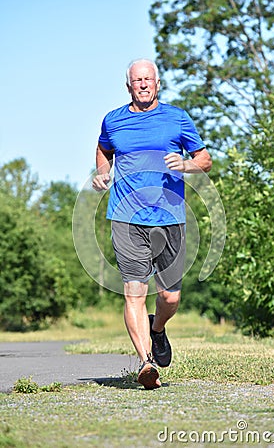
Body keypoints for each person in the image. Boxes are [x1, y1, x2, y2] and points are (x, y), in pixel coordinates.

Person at [92, 58, 212, 390]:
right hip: (126, 217)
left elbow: (205, 159)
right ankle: (146, 363)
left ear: (157, 83)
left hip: (170, 216)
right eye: (137, 80)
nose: (143, 85)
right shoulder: (113, 121)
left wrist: (187, 164)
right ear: (128, 85)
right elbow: (103, 150)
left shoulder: (177, 118)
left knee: (170, 297)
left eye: (148, 79)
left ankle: (157, 329)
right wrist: (103, 172)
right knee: (134, 293)